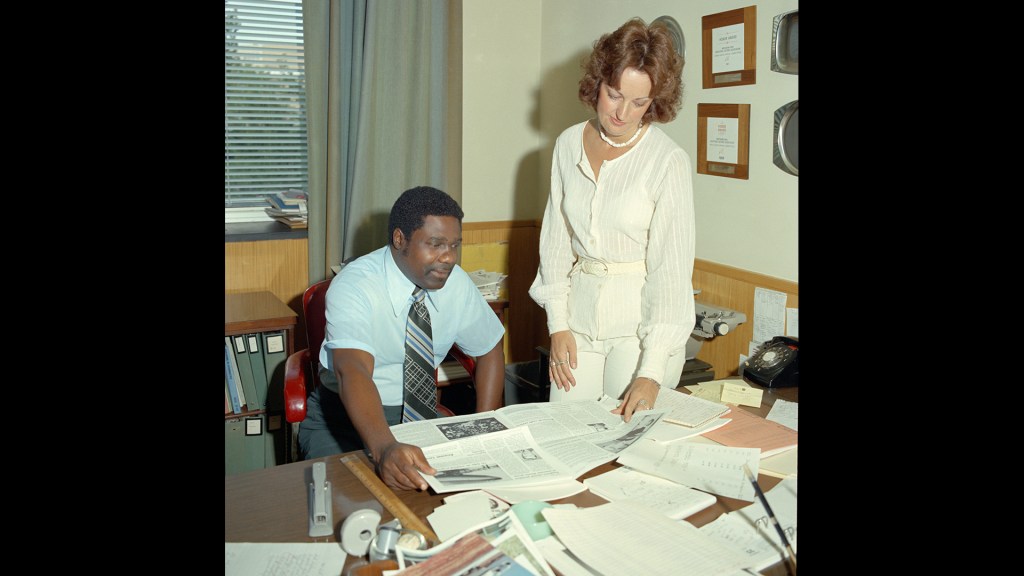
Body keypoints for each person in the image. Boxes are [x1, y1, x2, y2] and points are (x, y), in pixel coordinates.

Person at [528, 18, 695, 423]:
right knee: (562, 432)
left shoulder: (667, 161)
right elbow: (555, 239)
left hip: (638, 333)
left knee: (623, 449)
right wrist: (558, 324)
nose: (623, 113)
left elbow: (670, 274)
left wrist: (651, 372)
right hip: (578, 324)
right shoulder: (568, 144)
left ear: (655, 101)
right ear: (597, 83)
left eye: (639, 103)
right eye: (614, 95)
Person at [298, 186, 506, 491]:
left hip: (421, 419)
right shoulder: (355, 285)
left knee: (463, 502)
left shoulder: (455, 283)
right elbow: (352, 370)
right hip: (344, 420)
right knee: (347, 513)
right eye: (435, 244)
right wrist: (384, 448)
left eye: (454, 245)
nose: (448, 257)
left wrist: (481, 427)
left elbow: (490, 348)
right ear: (400, 239)